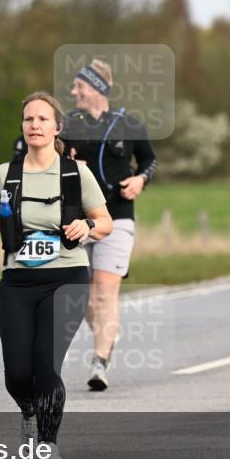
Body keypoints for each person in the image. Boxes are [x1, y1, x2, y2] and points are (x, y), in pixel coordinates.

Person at [0, 92, 112, 459]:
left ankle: (48, 444)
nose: (34, 125)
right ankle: (29, 410)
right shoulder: (6, 174)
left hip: (67, 277)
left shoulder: (74, 173)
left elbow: (105, 222)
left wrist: (86, 225)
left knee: (46, 364)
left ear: (57, 127)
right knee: (18, 373)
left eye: (42, 119)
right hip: (17, 280)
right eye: (28, 120)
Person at [59, 59, 157, 392]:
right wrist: (67, 165)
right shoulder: (68, 124)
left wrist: (140, 180)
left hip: (118, 217)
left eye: (79, 86)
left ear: (97, 87)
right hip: (78, 219)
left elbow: (149, 160)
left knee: (105, 288)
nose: (73, 92)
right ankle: (108, 329)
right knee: (82, 293)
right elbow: (45, 158)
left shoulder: (128, 124)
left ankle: (99, 361)